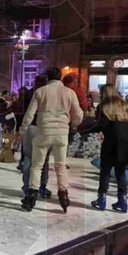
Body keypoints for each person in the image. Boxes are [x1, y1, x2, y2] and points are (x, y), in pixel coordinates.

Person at [20, 68, 83, 213]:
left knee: (37, 165)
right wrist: (74, 123)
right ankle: (63, 196)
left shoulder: (40, 91)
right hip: (62, 132)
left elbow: (30, 114)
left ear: (48, 78)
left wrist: (23, 130)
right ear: (60, 77)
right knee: (61, 165)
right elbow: (78, 114)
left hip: (44, 131)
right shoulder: (69, 92)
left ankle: (31, 197)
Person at [87, 84, 128, 213]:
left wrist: (83, 129)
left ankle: (101, 199)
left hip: (111, 142)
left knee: (105, 171)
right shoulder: (125, 105)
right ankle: (123, 201)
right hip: (127, 143)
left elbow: (100, 125)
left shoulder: (104, 106)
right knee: (121, 172)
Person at [20, 75, 52, 199]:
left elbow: (26, 112)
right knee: (43, 160)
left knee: (29, 158)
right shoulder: (47, 94)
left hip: (32, 127)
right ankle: (41, 186)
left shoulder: (30, 93)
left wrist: (22, 129)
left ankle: (29, 187)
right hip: (44, 128)